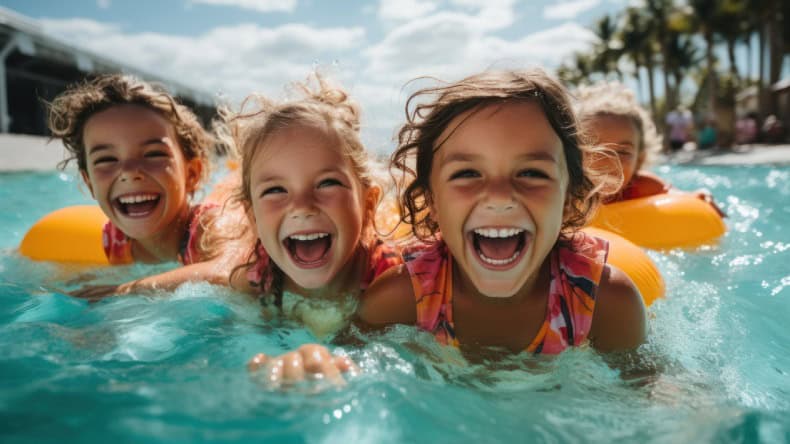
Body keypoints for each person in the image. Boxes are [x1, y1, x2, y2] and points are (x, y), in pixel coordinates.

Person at [248, 69, 647, 383]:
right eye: (467, 173)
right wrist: (310, 361)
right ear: (432, 202)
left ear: (572, 194)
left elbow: (651, 395)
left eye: (531, 172)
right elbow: (344, 363)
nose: (498, 195)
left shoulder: (605, 304)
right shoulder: (402, 299)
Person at [226, 73, 402, 337]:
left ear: (368, 204)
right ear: (252, 217)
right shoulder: (257, 280)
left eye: (327, 183)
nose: (302, 206)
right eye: (275, 190)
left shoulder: (392, 283)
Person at [48, 74, 249, 298]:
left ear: (192, 173)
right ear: (89, 183)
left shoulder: (210, 228)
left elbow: (231, 272)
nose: (129, 172)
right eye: (106, 159)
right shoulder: (115, 241)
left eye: (153, 154)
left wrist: (124, 290)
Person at [576, 82, 725, 216]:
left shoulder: (644, 186)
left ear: (639, 161)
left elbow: (684, 199)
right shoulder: (570, 193)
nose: (609, 160)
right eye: (596, 148)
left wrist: (700, 197)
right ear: (575, 153)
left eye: (623, 152)